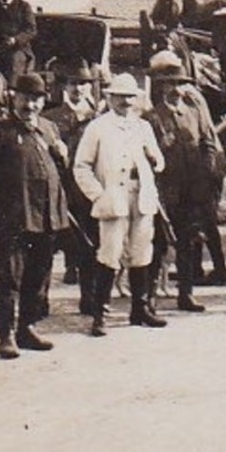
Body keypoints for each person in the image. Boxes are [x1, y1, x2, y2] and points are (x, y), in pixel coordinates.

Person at [0, 72, 71, 357]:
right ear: (14, 98)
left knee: (39, 274)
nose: (30, 105)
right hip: (14, 217)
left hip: (47, 216)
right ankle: (5, 335)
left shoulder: (49, 128)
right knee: (9, 277)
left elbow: (61, 170)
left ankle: (26, 328)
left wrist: (62, 153)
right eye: (24, 98)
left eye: (36, 99)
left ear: (43, 101)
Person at [73, 73, 168, 332]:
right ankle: (100, 314)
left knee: (141, 253)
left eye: (130, 97)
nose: (126, 102)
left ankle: (140, 309)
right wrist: (98, 194)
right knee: (109, 254)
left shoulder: (142, 126)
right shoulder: (98, 127)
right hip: (114, 197)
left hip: (142, 195)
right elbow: (81, 166)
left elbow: (159, 160)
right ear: (110, 97)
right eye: (120, 96)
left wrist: (154, 159)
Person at [144, 57, 223, 315]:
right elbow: (147, 155)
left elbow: (208, 142)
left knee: (189, 243)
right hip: (166, 193)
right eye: (170, 84)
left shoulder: (194, 113)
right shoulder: (152, 118)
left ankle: (186, 295)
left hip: (194, 191)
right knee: (158, 245)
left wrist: (208, 169)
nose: (176, 90)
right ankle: (149, 298)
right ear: (162, 87)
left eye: (180, 84)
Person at [42, 59, 101, 313]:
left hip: (86, 194)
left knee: (89, 246)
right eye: (73, 84)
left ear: (90, 87)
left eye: (83, 84)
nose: (78, 89)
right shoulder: (50, 119)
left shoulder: (98, 119)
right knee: (45, 249)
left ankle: (88, 298)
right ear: (64, 87)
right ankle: (39, 301)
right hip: (58, 194)